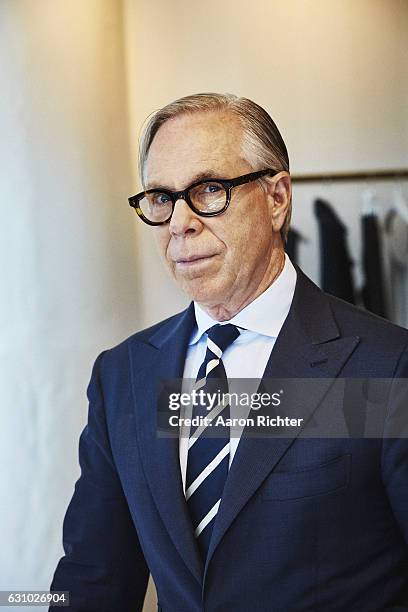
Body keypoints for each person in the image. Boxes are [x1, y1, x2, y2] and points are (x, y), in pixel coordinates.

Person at [50, 93, 408, 611]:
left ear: (277, 197)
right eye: (160, 197)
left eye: (209, 190)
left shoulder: (387, 366)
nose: (180, 222)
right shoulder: (123, 375)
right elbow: (91, 580)